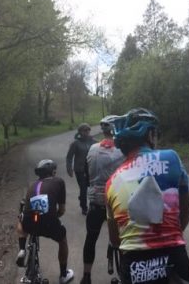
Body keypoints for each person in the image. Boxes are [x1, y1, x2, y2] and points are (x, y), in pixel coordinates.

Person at [104, 108, 189, 283]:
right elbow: (188, 208)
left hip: (133, 263)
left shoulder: (111, 182)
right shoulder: (171, 157)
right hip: (172, 255)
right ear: (150, 135)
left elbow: (115, 239)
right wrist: (169, 235)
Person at [80, 116, 125, 284]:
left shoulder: (92, 148)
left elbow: (86, 173)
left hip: (96, 201)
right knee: (123, 239)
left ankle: (86, 276)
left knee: (91, 238)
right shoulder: (122, 150)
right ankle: (124, 275)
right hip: (116, 200)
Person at [16, 159, 75, 283]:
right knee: (62, 240)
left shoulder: (32, 185)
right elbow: (62, 210)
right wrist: (55, 217)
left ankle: (22, 249)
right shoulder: (59, 181)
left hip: (30, 220)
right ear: (53, 172)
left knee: (21, 222)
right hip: (48, 221)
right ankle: (64, 275)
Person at [67, 124, 95, 205]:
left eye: (88, 130)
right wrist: (69, 168)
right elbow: (69, 157)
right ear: (80, 132)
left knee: (92, 188)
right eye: (84, 130)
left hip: (91, 169)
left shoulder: (94, 142)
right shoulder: (75, 143)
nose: (87, 132)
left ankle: (91, 204)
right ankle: (84, 207)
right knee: (83, 188)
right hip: (80, 169)